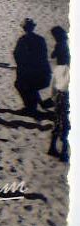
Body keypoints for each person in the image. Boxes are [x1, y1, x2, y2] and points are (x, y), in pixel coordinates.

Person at [13, 18, 51, 116]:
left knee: (21, 85)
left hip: (33, 74)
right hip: (43, 73)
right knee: (28, 86)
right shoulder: (40, 39)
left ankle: (31, 108)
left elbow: (17, 55)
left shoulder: (22, 40)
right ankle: (35, 105)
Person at [48, 26, 69, 161]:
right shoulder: (66, 66)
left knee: (58, 120)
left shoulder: (59, 67)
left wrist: (52, 95)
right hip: (65, 93)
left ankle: (52, 147)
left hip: (60, 92)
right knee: (65, 122)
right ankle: (63, 152)